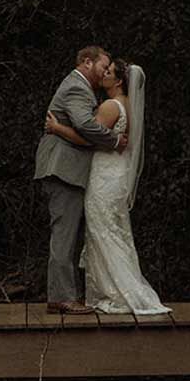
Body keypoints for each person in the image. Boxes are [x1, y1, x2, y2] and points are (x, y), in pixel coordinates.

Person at [43, 58, 169, 316]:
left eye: (109, 72)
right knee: (113, 232)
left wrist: (58, 128)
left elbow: (89, 136)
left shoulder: (111, 105)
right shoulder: (127, 105)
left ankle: (116, 292)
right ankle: (112, 290)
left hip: (103, 178)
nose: (104, 75)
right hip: (115, 176)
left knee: (103, 233)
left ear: (120, 81)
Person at [34, 46, 125, 314]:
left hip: (65, 169)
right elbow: (85, 124)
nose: (106, 71)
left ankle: (63, 295)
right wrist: (115, 140)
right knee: (64, 234)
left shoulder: (81, 87)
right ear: (87, 62)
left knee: (67, 232)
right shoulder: (76, 87)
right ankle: (62, 298)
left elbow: (81, 128)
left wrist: (60, 128)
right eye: (103, 66)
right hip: (62, 168)